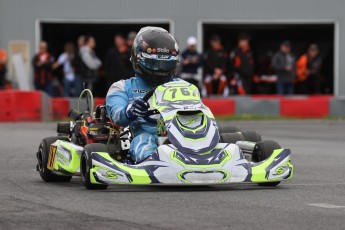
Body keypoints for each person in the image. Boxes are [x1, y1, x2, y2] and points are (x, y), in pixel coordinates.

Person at [106, 27, 179, 163]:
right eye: (154, 62)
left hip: (178, 135)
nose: (160, 68)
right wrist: (129, 111)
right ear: (137, 57)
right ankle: (153, 162)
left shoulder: (182, 86)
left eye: (165, 63)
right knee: (144, 140)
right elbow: (116, 115)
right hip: (140, 135)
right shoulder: (122, 87)